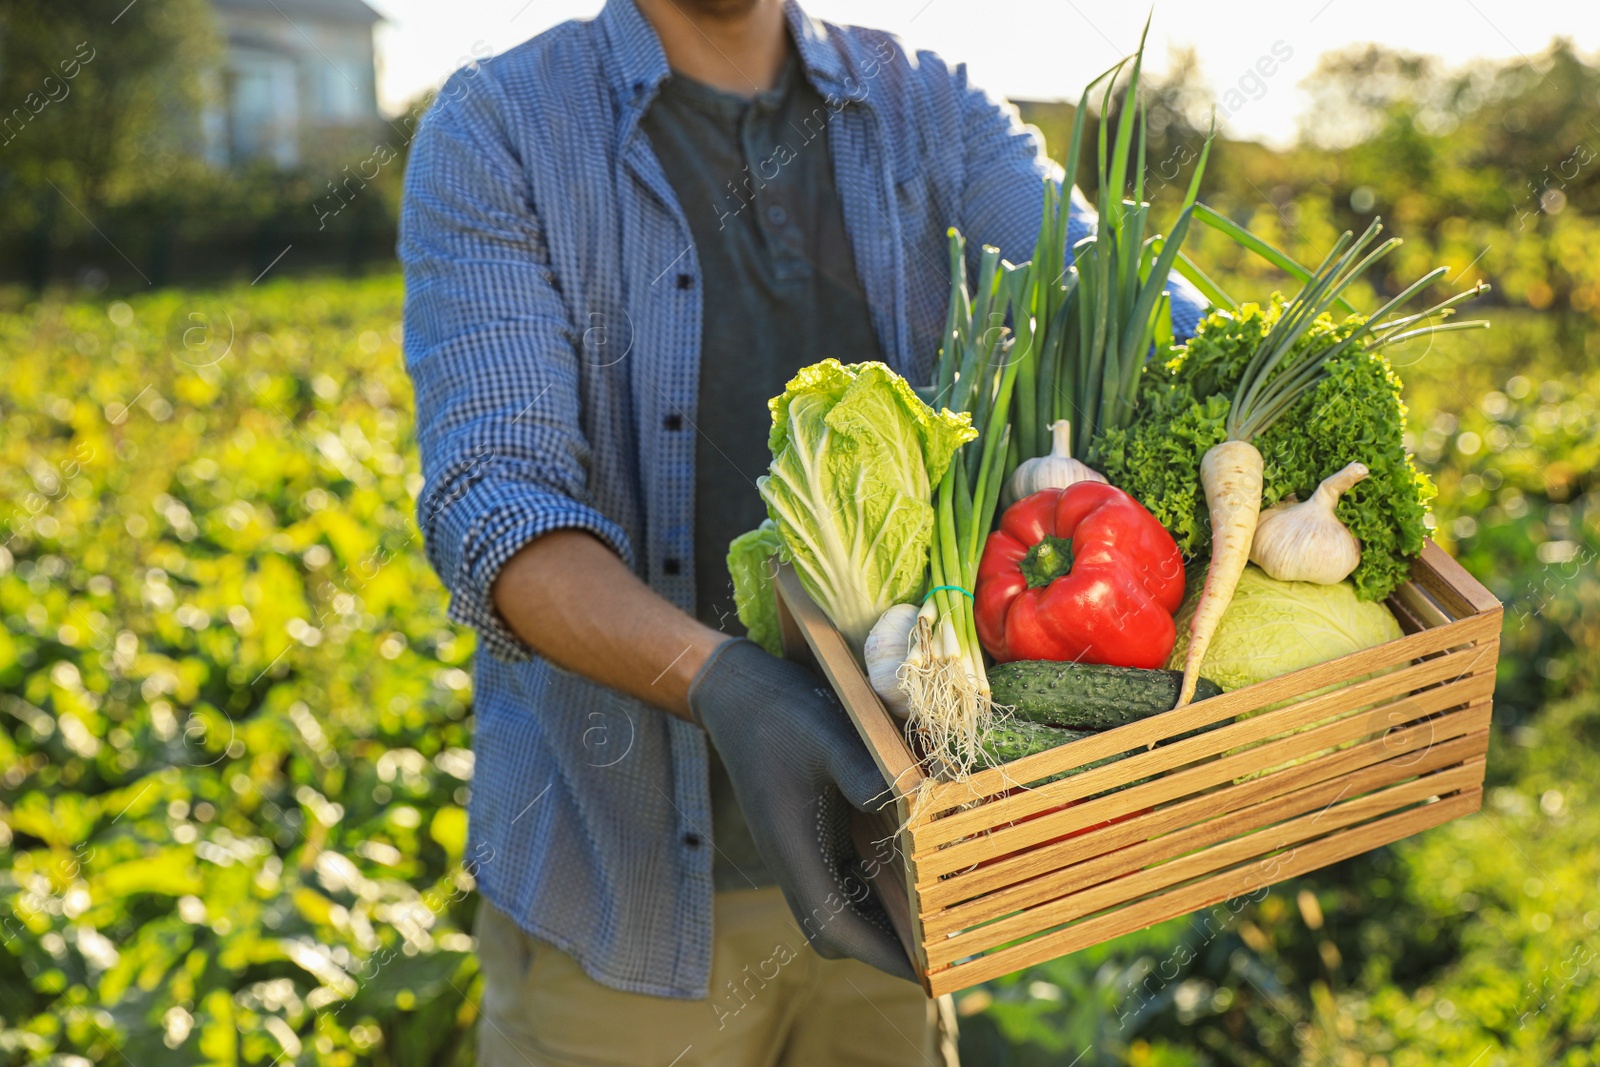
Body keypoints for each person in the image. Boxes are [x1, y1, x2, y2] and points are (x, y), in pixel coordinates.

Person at [398, 0, 1204, 1063]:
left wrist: (1253, 386)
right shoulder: (502, 126)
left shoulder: (924, 107)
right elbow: (497, 506)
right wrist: (718, 678)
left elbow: (1140, 309)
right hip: (623, 908)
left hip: (895, 866)